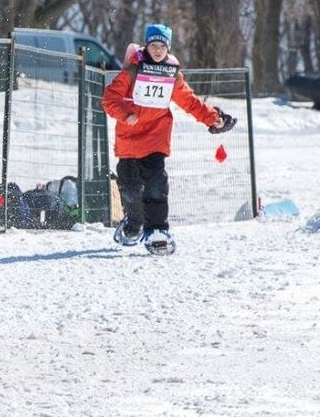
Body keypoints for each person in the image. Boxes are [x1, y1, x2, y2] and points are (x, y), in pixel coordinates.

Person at [101, 23, 236, 255]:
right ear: (146, 46)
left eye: (161, 46)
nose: (157, 50)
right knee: (130, 189)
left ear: (168, 48)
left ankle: (157, 231)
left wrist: (213, 118)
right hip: (129, 141)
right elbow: (109, 99)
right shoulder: (132, 71)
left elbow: (190, 102)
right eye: (153, 45)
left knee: (156, 184)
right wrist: (127, 114)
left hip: (155, 138)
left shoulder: (171, 75)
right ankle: (133, 224)